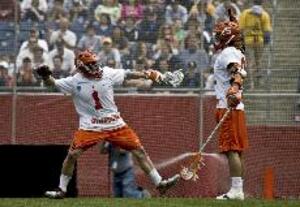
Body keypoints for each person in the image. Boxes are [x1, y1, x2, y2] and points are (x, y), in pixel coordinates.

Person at [36, 49, 180, 199]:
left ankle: (160, 183)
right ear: (81, 66)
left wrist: (148, 74)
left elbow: (127, 73)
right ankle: (61, 189)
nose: (95, 67)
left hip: (114, 123)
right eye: (90, 64)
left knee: (139, 151)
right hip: (90, 126)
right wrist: (46, 76)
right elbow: (52, 84)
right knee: (72, 155)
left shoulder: (107, 73)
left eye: (95, 63)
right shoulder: (74, 81)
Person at [213, 11, 248, 200]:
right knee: (237, 151)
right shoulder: (237, 51)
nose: (217, 36)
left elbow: (236, 71)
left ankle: (236, 191)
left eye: (220, 34)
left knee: (232, 149)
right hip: (236, 108)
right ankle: (238, 189)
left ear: (228, 36)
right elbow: (239, 70)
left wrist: (234, 87)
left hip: (228, 106)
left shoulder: (228, 53)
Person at [239, 0, 272, 89]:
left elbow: (241, 29)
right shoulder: (264, 14)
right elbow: (267, 31)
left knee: (249, 62)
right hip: (259, 41)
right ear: (262, 3)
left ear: (252, 2)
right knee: (259, 62)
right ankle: (259, 81)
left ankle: (251, 83)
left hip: (248, 40)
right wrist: (266, 43)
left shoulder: (245, 13)